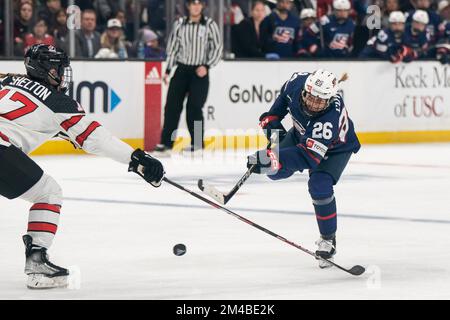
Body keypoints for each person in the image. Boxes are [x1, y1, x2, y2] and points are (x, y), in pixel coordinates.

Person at [0, 44, 164, 289]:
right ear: (44, 70)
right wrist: (137, 158)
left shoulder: (8, 82)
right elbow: (97, 139)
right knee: (48, 193)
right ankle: (37, 263)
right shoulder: (58, 102)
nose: (62, 73)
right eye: (57, 68)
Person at [246, 69, 360, 268]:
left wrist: (272, 156)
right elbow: (273, 115)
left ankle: (327, 240)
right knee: (274, 172)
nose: (315, 104)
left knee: (319, 184)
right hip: (303, 134)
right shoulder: (296, 83)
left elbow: (308, 157)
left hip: (336, 148)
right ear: (305, 91)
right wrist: (275, 138)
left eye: (321, 101)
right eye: (312, 97)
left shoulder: (329, 118)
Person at [154, 0, 223, 155]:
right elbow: (173, 48)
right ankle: (166, 144)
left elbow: (217, 49)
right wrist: (168, 70)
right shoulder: (179, 24)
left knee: (194, 108)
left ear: (203, 6)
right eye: (193, 3)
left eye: (199, 3)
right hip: (181, 70)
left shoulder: (210, 24)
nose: (196, 6)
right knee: (171, 107)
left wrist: (206, 66)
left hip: (200, 72)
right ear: (188, 6)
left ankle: (198, 144)